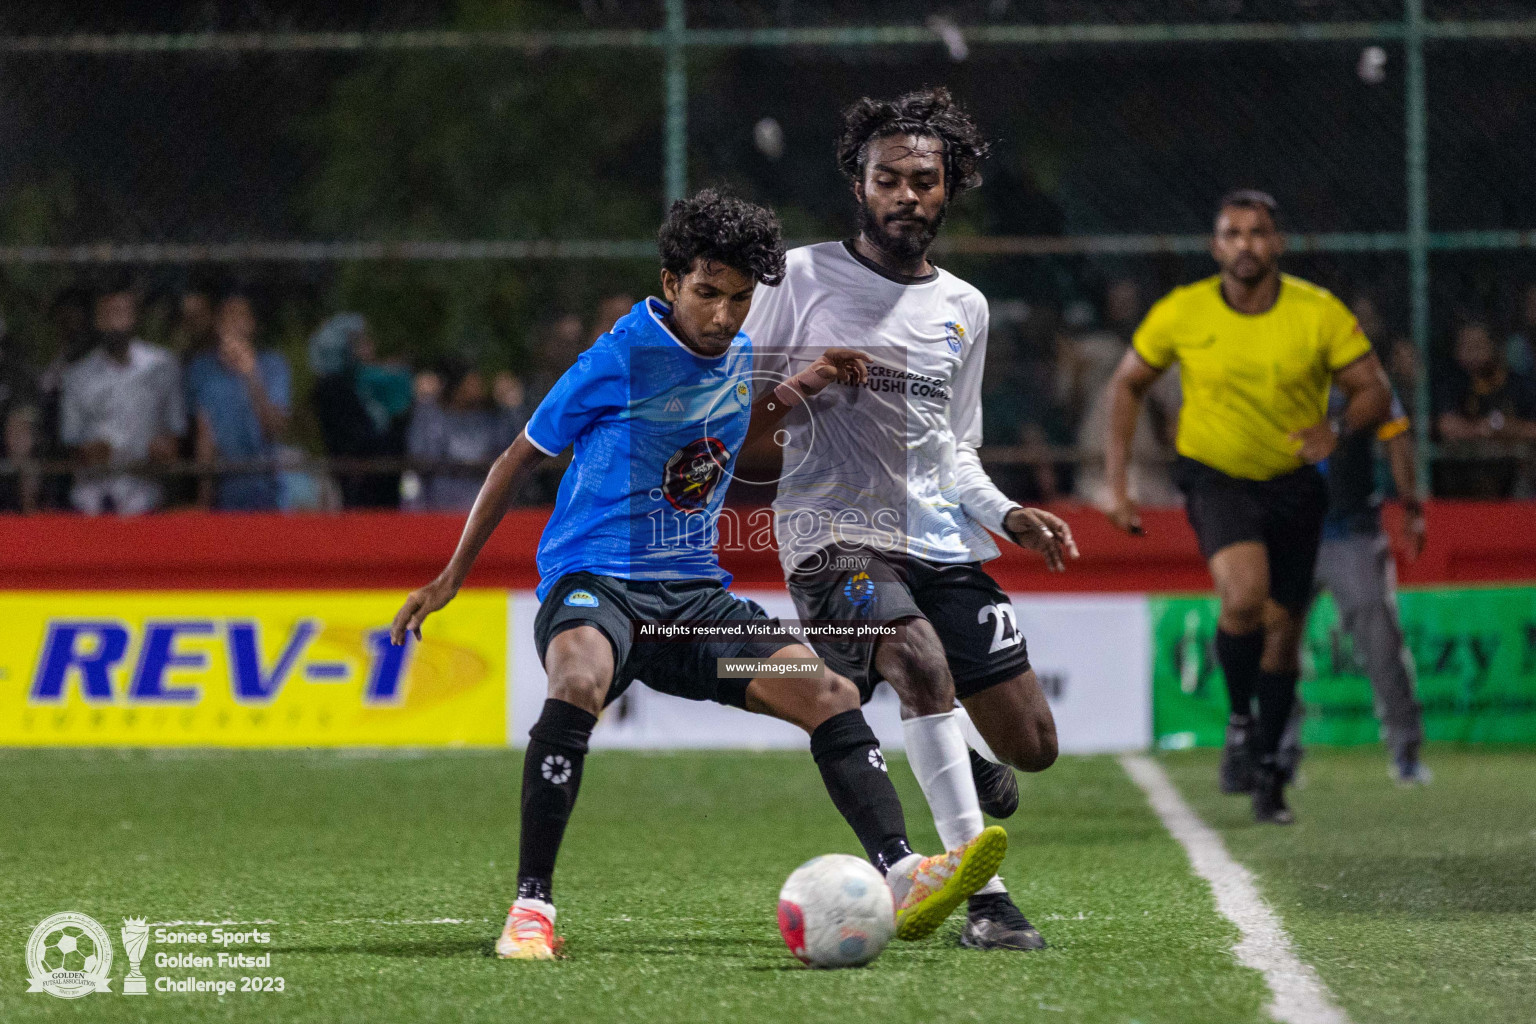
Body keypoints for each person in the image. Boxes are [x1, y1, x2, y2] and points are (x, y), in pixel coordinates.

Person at [389, 190, 1007, 962]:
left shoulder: (741, 355)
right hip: (598, 588)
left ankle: (906, 870)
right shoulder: (618, 357)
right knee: (578, 678)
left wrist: (809, 383)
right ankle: (531, 909)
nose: (723, 314)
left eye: (740, 298)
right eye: (707, 293)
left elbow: (724, 434)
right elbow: (520, 457)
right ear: (671, 281)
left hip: (692, 613)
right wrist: (452, 576)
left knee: (829, 692)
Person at [741, 88, 1075, 951]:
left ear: (949, 186)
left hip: (938, 540)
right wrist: (808, 384)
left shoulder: (966, 308)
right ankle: (986, 898)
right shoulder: (800, 279)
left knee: (1033, 747)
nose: (905, 194)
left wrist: (1008, 515)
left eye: (923, 179)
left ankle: (964, 747)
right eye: (887, 177)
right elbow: (740, 429)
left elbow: (955, 448)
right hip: (829, 537)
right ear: (860, 184)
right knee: (916, 658)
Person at [1103, 189, 1392, 824]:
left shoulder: (1317, 312)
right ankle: (1238, 723)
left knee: (1285, 635)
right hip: (1216, 479)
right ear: (1216, 247)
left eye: (1257, 233)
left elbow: (1372, 388)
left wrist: (1338, 430)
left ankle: (1267, 769)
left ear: (1277, 243)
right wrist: (1117, 484)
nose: (1245, 245)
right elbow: (1127, 382)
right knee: (1242, 598)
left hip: (1293, 485)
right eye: (1232, 233)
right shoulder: (1183, 311)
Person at [1310, 384, 1429, 785]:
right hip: (1289, 529)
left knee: (1381, 643)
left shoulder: (1358, 374)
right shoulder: (1275, 358)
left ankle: (1405, 747)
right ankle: (1275, 752)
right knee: (1273, 645)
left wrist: (1411, 506)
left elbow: (1395, 432)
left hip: (1351, 529)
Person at [59, 280, 186, 515]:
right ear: (97, 320)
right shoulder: (77, 376)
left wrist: (160, 451)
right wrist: (93, 453)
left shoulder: (163, 366)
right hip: (92, 501)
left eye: (121, 313)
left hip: (146, 497)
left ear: (135, 316)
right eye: (107, 314)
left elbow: (173, 439)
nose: (116, 323)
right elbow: (72, 445)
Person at [185, 294, 292, 511]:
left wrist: (251, 375)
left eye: (240, 317)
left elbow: (275, 429)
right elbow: (204, 434)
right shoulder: (201, 369)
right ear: (217, 325)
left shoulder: (274, 365)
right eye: (227, 318)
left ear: (252, 324)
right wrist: (204, 497)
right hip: (224, 490)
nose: (234, 325)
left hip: (268, 486)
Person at [310, 313, 412, 508]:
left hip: (381, 482)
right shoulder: (332, 387)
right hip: (358, 486)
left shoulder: (362, 382)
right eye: (358, 341)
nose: (366, 346)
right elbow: (353, 437)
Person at [1433, 319, 1536, 498]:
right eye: (1466, 346)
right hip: (1463, 482)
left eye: (1478, 345)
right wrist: (1481, 429)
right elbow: (1446, 425)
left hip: (1513, 484)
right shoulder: (1453, 383)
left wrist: (1506, 428)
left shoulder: (1520, 385)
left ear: (1494, 346)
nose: (1472, 354)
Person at [405, 362, 525, 511]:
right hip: (440, 503)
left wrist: (512, 408)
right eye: (471, 382)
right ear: (456, 387)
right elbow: (419, 452)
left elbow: (515, 450)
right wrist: (424, 404)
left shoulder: (491, 418)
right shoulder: (433, 416)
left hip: (482, 500)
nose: (477, 387)